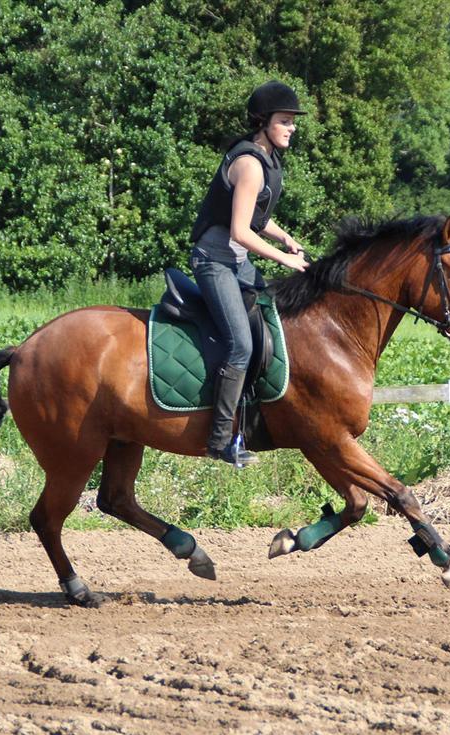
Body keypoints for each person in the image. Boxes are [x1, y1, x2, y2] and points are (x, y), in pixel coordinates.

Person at [188, 80, 311, 467]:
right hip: (215, 262)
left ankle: (254, 419)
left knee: (272, 321)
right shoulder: (250, 165)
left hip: (236, 261)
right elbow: (241, 231)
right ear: (264, 121)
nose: (291, 128)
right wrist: (284, 259)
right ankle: (220, 439)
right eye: (285, 121)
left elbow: (258, 218)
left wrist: (285, 236)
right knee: (240, 345)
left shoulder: (267, 159)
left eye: (293, 122)